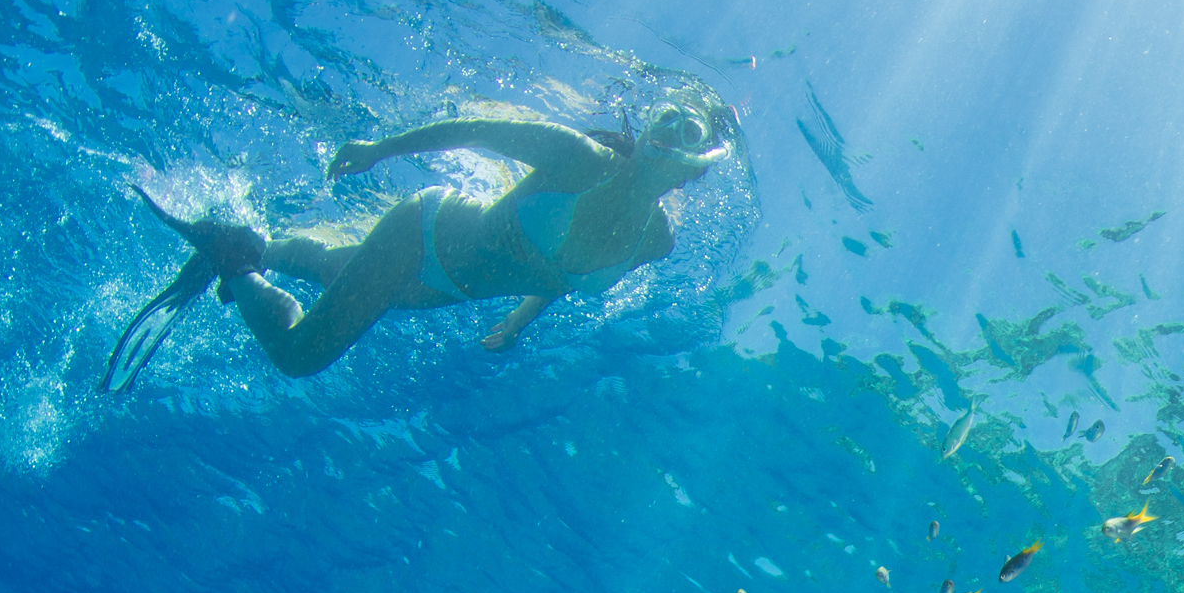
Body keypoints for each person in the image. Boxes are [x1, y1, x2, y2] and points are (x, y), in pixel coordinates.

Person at [107, 102, 731, 389]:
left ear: (693, 166)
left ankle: (258, 246)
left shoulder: (656, 240)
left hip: (447, 287)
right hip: (425, 233)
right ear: (645, 132)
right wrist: (380, 150)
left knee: (331, 270)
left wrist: (517, 321)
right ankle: (237, 266)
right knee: (300, 356)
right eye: (664, 118)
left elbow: (564, 276)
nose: (669, 130)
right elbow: (478, 129)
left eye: (687, 130)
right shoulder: (578, 159)